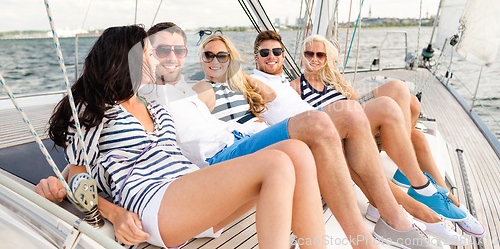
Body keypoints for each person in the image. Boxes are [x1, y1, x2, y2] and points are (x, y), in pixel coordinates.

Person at [37, 23, 433, 249]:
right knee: (279, 160)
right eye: (148, 53)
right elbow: (77, 172)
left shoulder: (155, 105)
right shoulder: (94, 113)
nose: (156, 60)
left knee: (295, 150)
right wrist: (114, 212)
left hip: (186, 188)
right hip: (153, 204)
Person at [193, 34, 467, 246]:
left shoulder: (284, 81)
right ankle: (412, 204)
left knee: (410, 123)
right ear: (254, 57)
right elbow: (222, 97)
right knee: (380, 105)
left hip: (320, 124)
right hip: (311, 127)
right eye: (265, 53)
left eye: (277, 51)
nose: (272, 56)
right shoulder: (255, 79)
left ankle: (421, 196)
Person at [290, 34, 484, 237]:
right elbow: (303, 123)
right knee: (396, 89)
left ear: (326, 58)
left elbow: (356, 102)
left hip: (357, 124)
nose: (314, 58)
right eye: (309, 53)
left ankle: (443, 195)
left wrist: (338, 80)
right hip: (337, 134)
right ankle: (417, 182)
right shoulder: (296, 87)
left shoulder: (333, 80)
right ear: (302, 56)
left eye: (320, 55)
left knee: (413, 108)